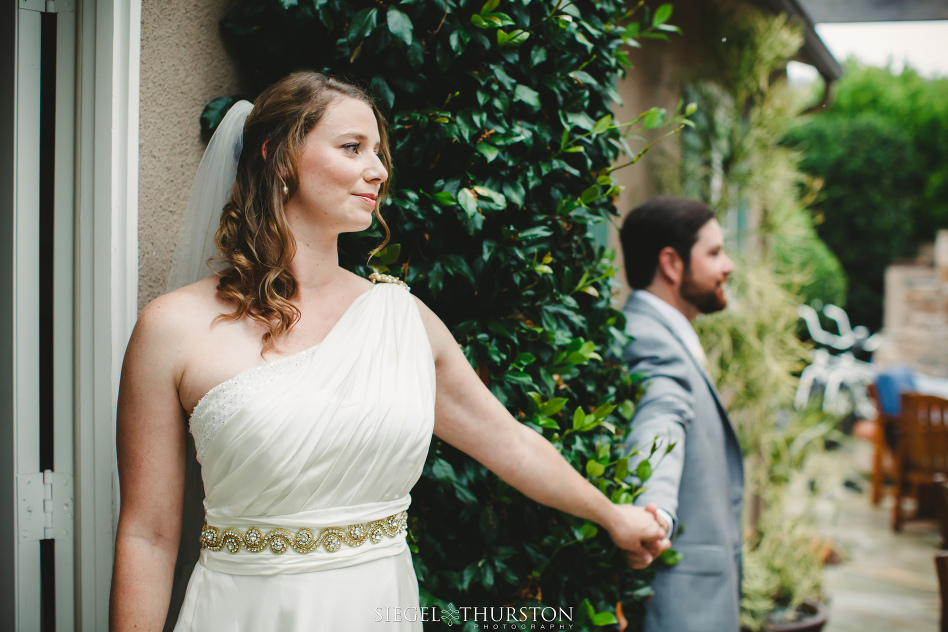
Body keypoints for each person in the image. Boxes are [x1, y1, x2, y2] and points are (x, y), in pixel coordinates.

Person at [109, 71, 670, 632]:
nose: (377, 170)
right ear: (279, 157)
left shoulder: (402, 321)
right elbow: (148, 534)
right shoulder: (173, 328)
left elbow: (509, 443)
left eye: (378, 152)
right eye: (352, 148)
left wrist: (613, 516)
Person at [619, 197, 744, 632]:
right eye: (713, 253)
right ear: (671, 264)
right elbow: (660, 419)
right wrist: (654, 515)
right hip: (683, 607)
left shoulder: (665, 333)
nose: (727, 265)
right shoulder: (649, 340)